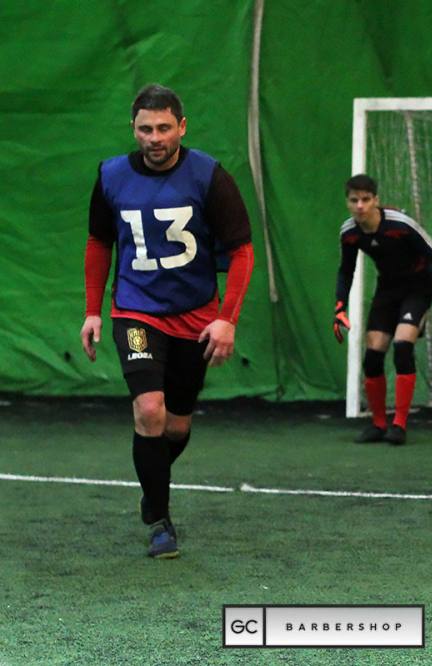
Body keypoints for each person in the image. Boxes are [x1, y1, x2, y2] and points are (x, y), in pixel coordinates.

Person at [80, 84, 255, 559]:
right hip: (136, 311)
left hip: (196, 317)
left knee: (175, 427)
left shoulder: (209, 176)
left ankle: (151, 485)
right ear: (133, 129)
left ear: (182, 127)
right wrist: (93, 310)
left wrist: (226, 319)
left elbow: (242, 250)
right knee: (149, 411)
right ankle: (160, 520)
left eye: (163, 128)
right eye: (145, 129)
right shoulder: (111, 175)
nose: (154, 138)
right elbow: (99, 243)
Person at [333, 174, 432, 446]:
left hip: (418, 287)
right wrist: (340, 306)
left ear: (376, 200)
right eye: (354, 200)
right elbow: (346, 270)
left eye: (366, 199)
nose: (360, 206)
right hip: (387, 289)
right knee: (372, 356)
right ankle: (378, 424)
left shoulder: (400, 224)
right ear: (347, 202)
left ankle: (399, 424)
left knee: (402, 347)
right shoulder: (349, 233)